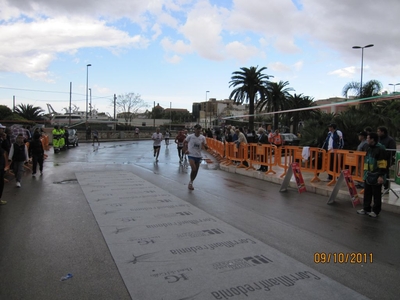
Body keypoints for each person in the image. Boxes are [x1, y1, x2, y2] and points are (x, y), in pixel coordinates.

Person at [357, 132, 387, 218]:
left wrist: (381, 176)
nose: (367, 140)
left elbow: (383, 163)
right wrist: (365, 174)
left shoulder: (380, 149)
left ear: (372, 139)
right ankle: (366, 208)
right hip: (368, 174)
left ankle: (376, 211)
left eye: (368, 138)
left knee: (376, 194)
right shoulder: (368, 147)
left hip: (377, 174)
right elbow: (367, 161)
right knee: (367, 192)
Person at [183, 124, 208, 190]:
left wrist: (205, 146)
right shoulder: (190, 136)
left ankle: (191, 182)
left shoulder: (202, 137)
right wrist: (185, 150)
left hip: (198, 156)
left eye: (200, 129)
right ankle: (191, 182)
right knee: (193, 168)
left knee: (196, 171)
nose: (198, 130)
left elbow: (205, 146)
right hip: (191, 155)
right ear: (194, 129)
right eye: (197, 129)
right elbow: (184, 142)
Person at [377, 126, 396, 193]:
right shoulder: (378, 139)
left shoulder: (390, 140)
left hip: (387, 159)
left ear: (383, 132)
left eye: (379, 131)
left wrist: (385, 155)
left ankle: (386, 186)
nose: (378, 133)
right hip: (378, 158)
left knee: (385, 172)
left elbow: (393, 150)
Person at [0, 135, 6, 205]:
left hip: (1, 166)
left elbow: (6, 147)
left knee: (1, 183)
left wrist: (4, 139)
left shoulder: (2, 140)